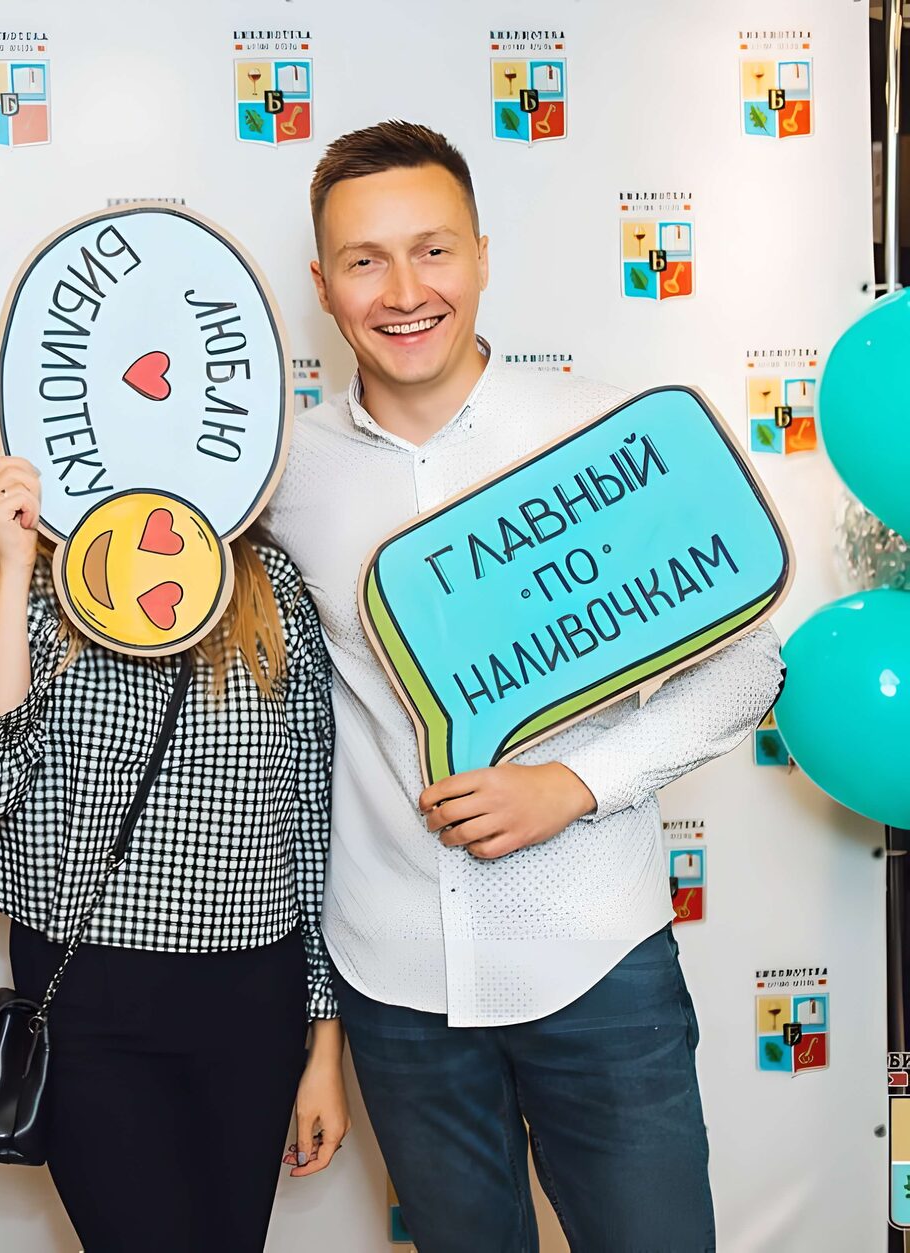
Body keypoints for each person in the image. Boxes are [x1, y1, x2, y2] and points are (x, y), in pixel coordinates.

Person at [262, 120, 784, 1252]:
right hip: (396, 983)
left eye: (433, 250)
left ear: (484, 256)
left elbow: (752, 660)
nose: (406, 291)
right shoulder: (283, 473)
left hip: (597, 962)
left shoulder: (600, 430)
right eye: (365, 261)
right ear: (323, 283)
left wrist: (573, 784)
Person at [0, 456, 348, 1253]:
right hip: (86, 989)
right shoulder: (16, 560)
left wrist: (326, 1043)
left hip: (250, 996)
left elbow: (311, 818)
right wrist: (15, 569)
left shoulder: (267, 579)